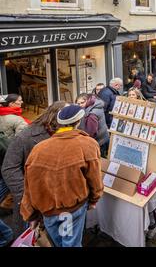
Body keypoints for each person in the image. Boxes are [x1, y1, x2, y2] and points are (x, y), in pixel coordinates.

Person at [20, 105, 103, 247]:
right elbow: (94, 178)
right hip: (72, 208)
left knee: (57, 243)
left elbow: (30, 185)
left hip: (47, 210)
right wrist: (94, 199)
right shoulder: (87, 144)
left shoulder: (39, 148)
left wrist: (30, 214)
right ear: (78, 121)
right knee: (71, 244)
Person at [1, 101, 67, 237]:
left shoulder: (66, 133)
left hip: (59, 201)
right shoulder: (26, 136)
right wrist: (26, 196)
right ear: (55, 116)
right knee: (29, 237)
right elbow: (9, 168)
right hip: (32, 203)